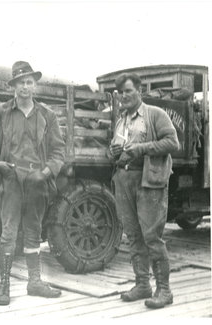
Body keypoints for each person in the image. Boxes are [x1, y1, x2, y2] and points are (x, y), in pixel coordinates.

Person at [0, 61, 65, 305]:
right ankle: (4, 286)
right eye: (21, 82)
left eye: (29, 82)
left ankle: (35, 282)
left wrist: (47, 172)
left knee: (33, 230)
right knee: (8, 232)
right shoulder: (0, 112)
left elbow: (59, 151)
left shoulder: (47, 115)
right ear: (14, 86)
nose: (25, 87)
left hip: (37, 182)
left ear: (35, 85)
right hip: (10, 179)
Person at [109, 73, 180, 309]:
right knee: (133, 235)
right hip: (124, 180)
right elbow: (117, 148)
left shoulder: (155, 114)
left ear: (139, 90)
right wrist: (114, 153)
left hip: (148, 181)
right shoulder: (122, 119)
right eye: (120, 93)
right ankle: (142, 285)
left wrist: (141, 148)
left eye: (128, 91)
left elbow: (172, 142)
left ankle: (164, 290)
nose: (124, 96)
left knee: (152, 237)